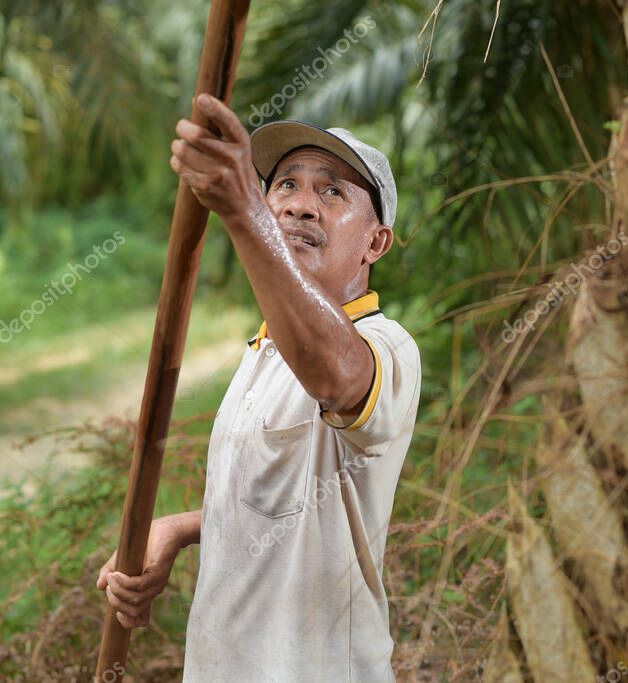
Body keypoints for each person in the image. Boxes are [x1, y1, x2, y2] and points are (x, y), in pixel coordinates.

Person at [96, 93, 421, 682]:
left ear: (376, 243)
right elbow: (283, 498)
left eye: (333, 192)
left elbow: (336, 375)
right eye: (285, 186)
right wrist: (179, 529)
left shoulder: (384, 347)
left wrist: (243, 210)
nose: (301, 206)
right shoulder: (265, 351)